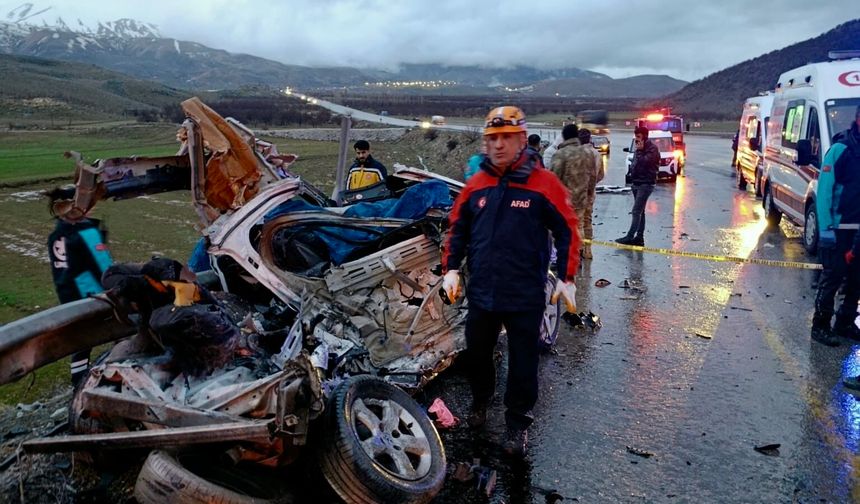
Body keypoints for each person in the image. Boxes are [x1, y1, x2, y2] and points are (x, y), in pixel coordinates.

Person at [442, 105, 580, 457]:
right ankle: (480, 400)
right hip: (483, 293)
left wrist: (567, 277)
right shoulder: (477, 184)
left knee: (523, 363)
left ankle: (517, 425)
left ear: (521, 140)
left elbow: (567, 229)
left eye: (507, 137)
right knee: (476, 354)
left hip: (524, 295)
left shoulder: (543, 184)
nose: (499, 145)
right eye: (493, 138)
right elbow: (458, 228)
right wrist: (452, 268)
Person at [46, 189, 114, 386]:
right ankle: (117, 371)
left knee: (82, 342)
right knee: (124, 329)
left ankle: (78, 381)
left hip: (68, 295)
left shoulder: (56, 234)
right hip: (91, 294)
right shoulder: (86, 233)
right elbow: (104, 267)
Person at [810, 105, 860, 347]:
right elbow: (824, 192)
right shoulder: (840, 149)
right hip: (839, 229)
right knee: (832, 278)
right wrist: (826, 229)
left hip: (858, 232)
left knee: (856, 280)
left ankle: (844, 322)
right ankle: (820, 326)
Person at [550, 124, 594, 259]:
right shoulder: (588, 153)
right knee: (578, 226)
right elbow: (593, 177)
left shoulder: (560, 154)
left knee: (561, 229)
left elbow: (554, 178)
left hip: (563, 201)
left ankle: (564, 257)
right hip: (581, 198)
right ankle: (577, 255)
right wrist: (589, 193)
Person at [616, 126, 659, 246]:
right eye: (636, 137)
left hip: (646, 184)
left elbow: (645, 162)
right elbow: (635, 164)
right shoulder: (638, 149)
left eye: (639, 137)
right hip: (636, 183)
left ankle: (630, 236)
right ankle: (639, 237)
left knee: (636, 211)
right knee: (640, 212)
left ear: (645, 137)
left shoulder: (652, 149)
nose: (637, 140)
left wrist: (640, 151)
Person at [577, 128, 605, 259]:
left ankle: (579, 250)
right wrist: (592, 185)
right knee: (588, 220)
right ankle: (588, 250)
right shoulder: (596, 154)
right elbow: (601, 174)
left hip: (578, 192)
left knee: (578, 222)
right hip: (591, 193)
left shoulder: (577, 154)